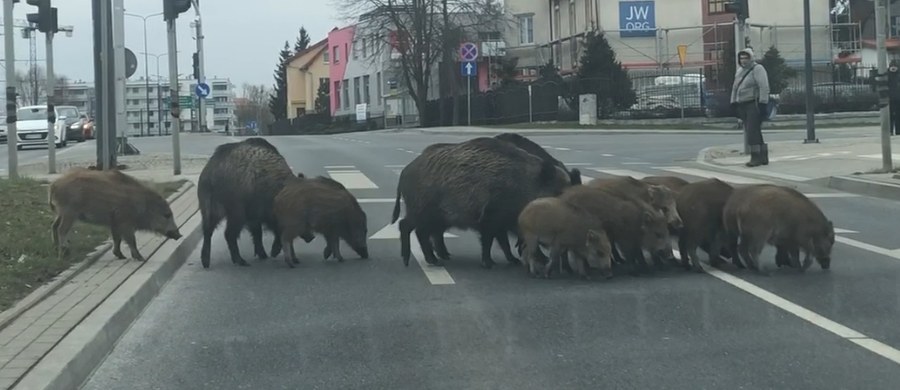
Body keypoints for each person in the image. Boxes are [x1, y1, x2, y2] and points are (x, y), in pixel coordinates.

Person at [730, 48, 771, 167]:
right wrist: (733, 102)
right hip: (742, 104)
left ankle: (755, 157)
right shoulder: (739, 71)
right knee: (754, 130)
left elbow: (764, 86)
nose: (743, 60)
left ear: (751, 58)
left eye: (746, 58)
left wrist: (763, 103)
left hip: (754, 103)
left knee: (752, 130)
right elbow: (735, 88)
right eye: (741, 58)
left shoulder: (757, 69)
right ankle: (763, 156)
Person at [889, 60, 899, 136]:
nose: (893, 68)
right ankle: (891, 130)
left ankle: (898, 130)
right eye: (892, 66)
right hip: (890, 98)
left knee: (898, 115)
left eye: (895, 66)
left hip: (897, 98)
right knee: (890, 116)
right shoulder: (887, 75)